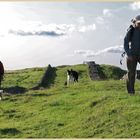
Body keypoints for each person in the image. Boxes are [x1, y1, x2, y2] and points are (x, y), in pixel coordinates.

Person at [124, 15, 140, 95]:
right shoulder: (131, 30)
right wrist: (129, 54)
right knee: (131, 73)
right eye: (139, 23)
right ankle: (131, 92)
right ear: (135, 23)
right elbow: (125, 43)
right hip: (132, 55)